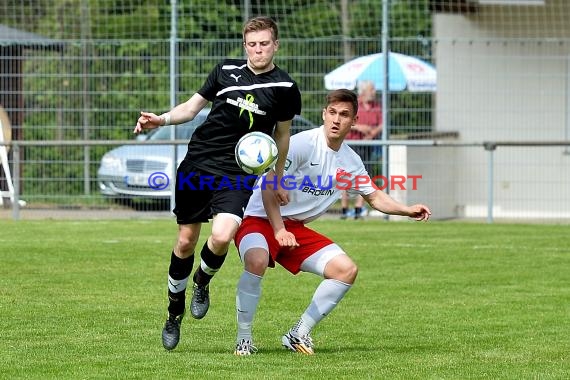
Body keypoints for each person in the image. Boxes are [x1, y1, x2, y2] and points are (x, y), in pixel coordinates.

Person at [134, 16, 302, 351]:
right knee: (185, 242)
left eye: (264, 44)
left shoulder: (285, 88)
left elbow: (282, 136)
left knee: (223, 235)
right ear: (245, 46)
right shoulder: (225, 71)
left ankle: (202, 281)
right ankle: (173, 312)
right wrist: (161, 119)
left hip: (238, 172)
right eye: (252, 44)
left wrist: (278, 175)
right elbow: (192, 107)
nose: (258, 50)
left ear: (276, 45)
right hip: (198, 163)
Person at [232, 89, 430, 355]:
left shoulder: (350, 161)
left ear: (354, 121)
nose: (337, 119)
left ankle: (298, 333)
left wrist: (407, 210)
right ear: (324, 114)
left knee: (345, 270)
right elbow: (270, 184)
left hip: (295, 228)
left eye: (344, 115)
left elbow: (375, 197)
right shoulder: (302, 144)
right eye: (333, 113)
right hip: (260, 218)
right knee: (256, 261)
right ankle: (244, 339)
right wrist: (278, 229)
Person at [340, 80, 382, 220]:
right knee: (345, 176)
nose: (374, 92)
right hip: (352, 144)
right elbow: (346, 120)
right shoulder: (354, 105)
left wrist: (372, 133)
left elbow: (382, 124)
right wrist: (360, 127)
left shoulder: (377, 106)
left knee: (363, 177)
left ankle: (358, 208)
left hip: (367, 145)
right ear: (363, 91)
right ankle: (344, 209)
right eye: (372, 89)